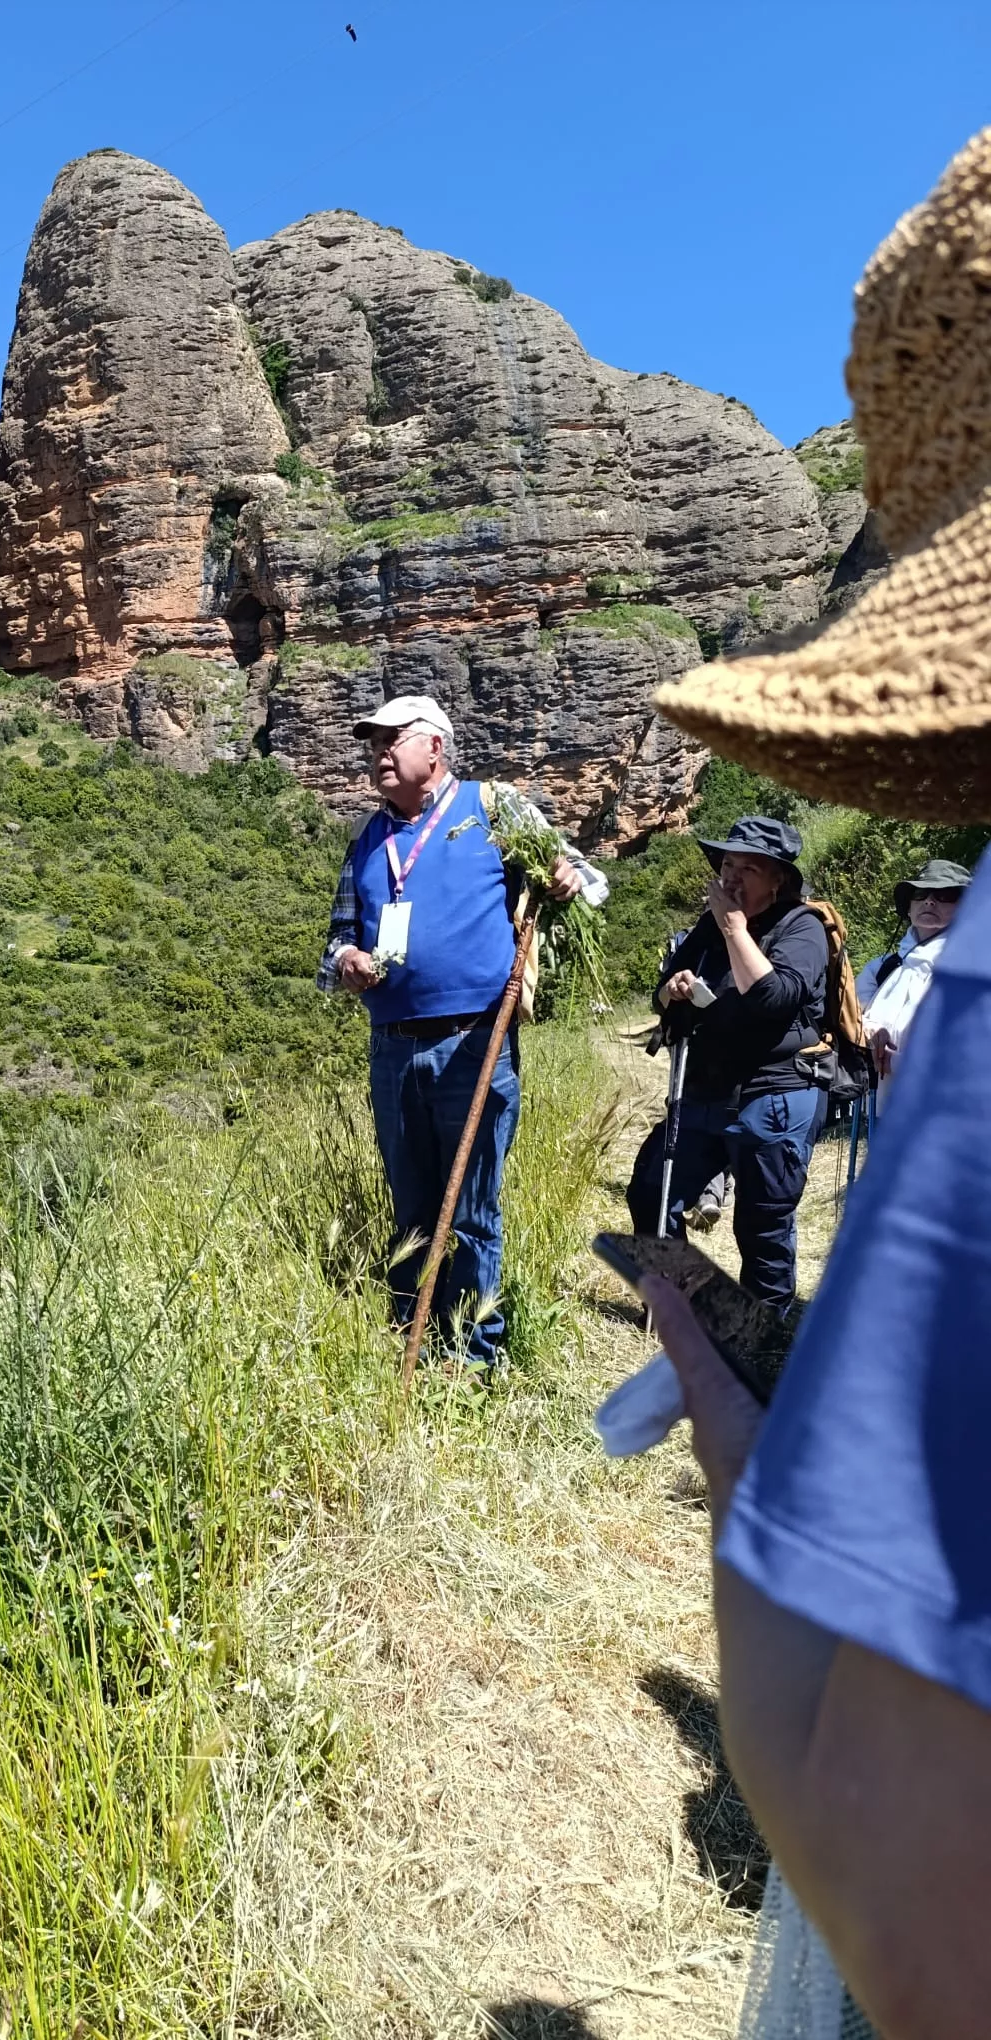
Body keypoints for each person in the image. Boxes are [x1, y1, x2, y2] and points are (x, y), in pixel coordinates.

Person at [649, 123, 991, 2035]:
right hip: (730, 1105)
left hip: (788, 1121)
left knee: (765, 1287)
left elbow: (907, 1891)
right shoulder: (733, 935)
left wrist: (736, 1466)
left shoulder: (922, 966)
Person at [318, 693, 607, 1369]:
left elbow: (591, 884)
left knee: (472, 1205)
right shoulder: (367, 839)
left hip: (473, 1041)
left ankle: (475, 1355)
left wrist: (565, 879)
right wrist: (347, 960)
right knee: (413, 1203)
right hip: (392, 1049)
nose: (379, 754)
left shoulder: (493, 807)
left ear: (435, 748)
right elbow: (333, 942)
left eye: (392, 740)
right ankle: (411, 1335)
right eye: (373, 745)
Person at [626, 816, 829, 1308]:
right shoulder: (707, 927)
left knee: (762, 1221)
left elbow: (773, 998)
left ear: (778, 879)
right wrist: (671, 991)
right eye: (727, 864)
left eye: (749, 868)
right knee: (651, 1192)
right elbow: (665, 990)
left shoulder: (803, 928)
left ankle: (766, 1326)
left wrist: (736, 928)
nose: (731, 876)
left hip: (776, 1093)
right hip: (707, 1088)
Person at [854, 858, 971, 1084]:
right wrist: (870, 1033)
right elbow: (853, 1017)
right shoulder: (880, 968)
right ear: (908, 907)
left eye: (944, 895)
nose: (929, 902)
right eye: (920, 894)